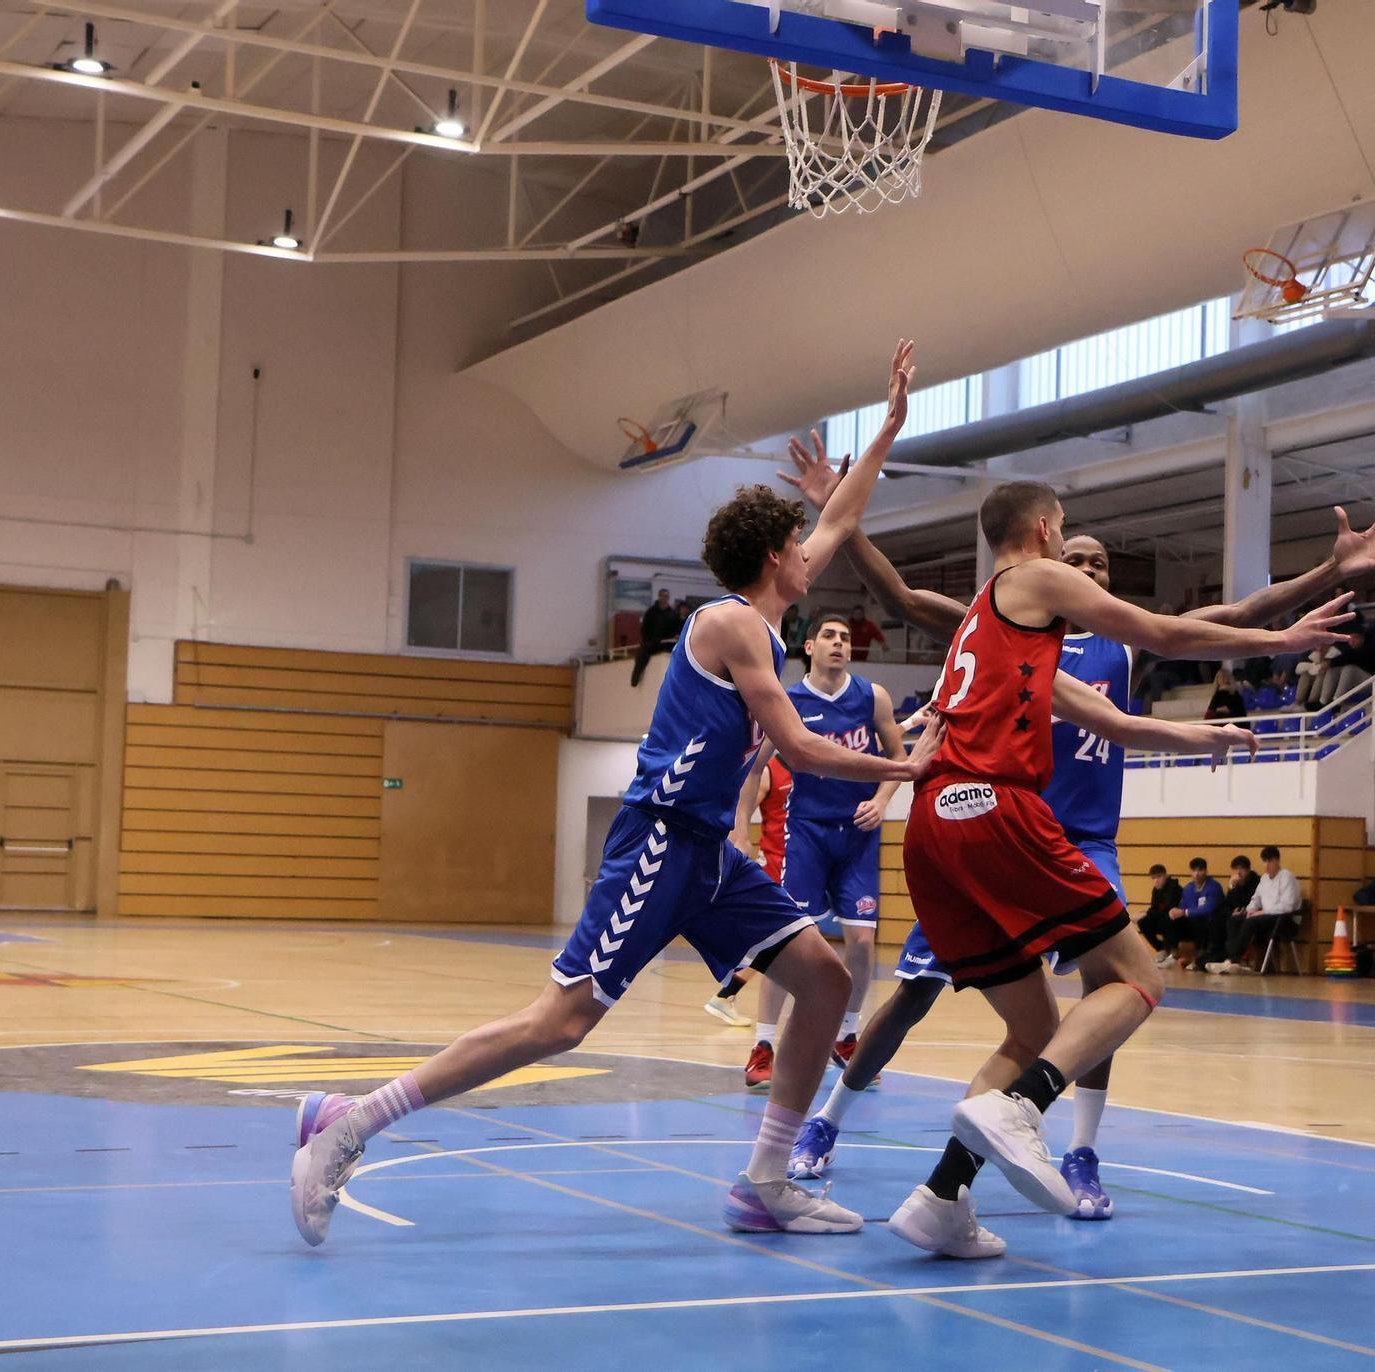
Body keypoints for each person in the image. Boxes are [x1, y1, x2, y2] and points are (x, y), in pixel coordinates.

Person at [288, 341, 937, 1246]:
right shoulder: (729, 623)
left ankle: (764, 1181)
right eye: (802, 546)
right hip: (662, 844)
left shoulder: (767, 613)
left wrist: (891, 428)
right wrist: (901, 767)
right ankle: (350, 1122)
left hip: (708, 853)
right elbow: (794, 745)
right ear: (776, 557)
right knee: (563, 1022)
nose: (814, 555)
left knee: (823, 981)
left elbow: (841, 517)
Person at [774, 470, 1375, 1226]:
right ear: (1044, 530)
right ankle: (1023, 1109)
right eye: (1067, 531)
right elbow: (1170, 632)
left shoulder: (998, 630)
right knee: (1137, 977)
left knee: (1038, 1026)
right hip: (1004, 817)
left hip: (940, 827)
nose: (1081, 563)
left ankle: (942, 1199)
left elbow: (1121, 721)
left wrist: (1196, 734)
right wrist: (1282, 640)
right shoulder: (1033, 581)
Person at [733, 612, 907, 1089]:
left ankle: (847, 1036)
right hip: (806, 832)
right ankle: (764, 1043)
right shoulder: (787, 701)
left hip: (858, 834)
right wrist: (740, 829)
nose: (838, 643)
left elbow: (898, 757)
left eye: (845, 637)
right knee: (787, 941)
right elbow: (752, 770)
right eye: (828, 636)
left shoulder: (873, 697)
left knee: (863, 942)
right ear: (808, 647)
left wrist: (881, 799)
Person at [706, 754, 794, 1030]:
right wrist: (738, 840)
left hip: (800, 862)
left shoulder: (810, 767)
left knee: (780, 941)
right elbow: (740, 812)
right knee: (780, 941)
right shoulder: (770, 771)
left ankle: (726, 994)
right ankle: (725, 994)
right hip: (775, 863)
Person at [1206, 844, 1302, 974]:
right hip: (1267, 918)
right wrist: (1248, 910)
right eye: (1265, 861)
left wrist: (1262, 912)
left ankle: (1233, 959)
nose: (1267, 865)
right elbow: (1255, 899)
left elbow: (1287, 906)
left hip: (1284, 920)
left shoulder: (1287, 877)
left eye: (1270, 861)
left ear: (1277, 861)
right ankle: (1231, 959)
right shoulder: (1264, 879)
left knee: (1251, 922)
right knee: (1235, 920)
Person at [630, 587, 684, 687]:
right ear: (659, 597)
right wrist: (648, 640)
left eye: (666, 596)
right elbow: (645, 628)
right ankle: (635, 678)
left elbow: (677, 628)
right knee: (642, 654)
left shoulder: (672, 614)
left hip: (667, 642)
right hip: (653, 641)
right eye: (663, 596)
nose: (664, 598)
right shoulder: (651, 612)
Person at [1137, 864, 1184, 957]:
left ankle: (1173, 951)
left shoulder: (1173, 887)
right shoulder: (1156, 890)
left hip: (1178, 920)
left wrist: (1147, 913)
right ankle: (1161, 948)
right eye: (1153, 878)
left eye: (1159, 877)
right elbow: (1154, 908)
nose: (1156, 880)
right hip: (1163, 918)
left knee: (1168, 920)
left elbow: (1168, 908)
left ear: (1165, 876)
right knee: (1143, 922)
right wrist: (1145, 914)